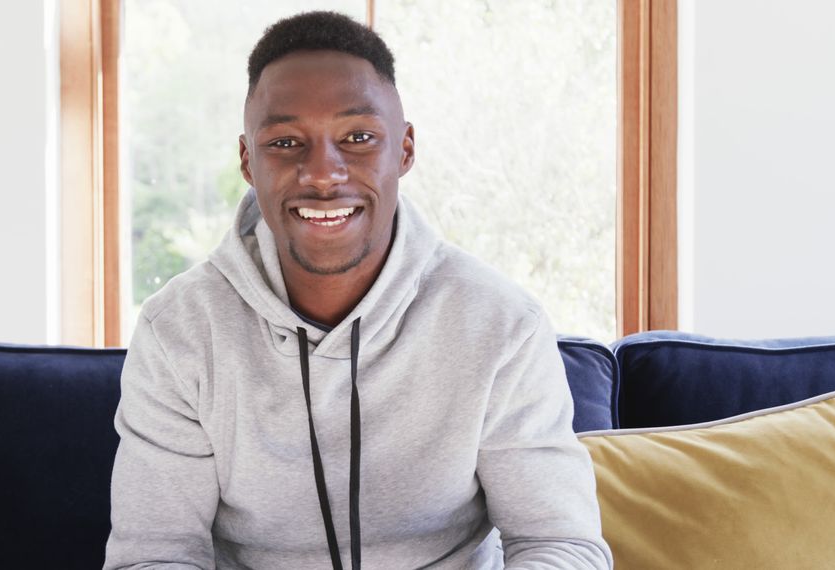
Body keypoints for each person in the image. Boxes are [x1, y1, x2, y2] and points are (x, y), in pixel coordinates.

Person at [104, 10, 612, 570]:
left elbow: (560, 544)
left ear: (405, 150)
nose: (323, 173)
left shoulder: (501, 325)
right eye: (286, 142)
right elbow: (154, 555)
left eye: (359, 137)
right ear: (248, 161)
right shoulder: (178, 331)